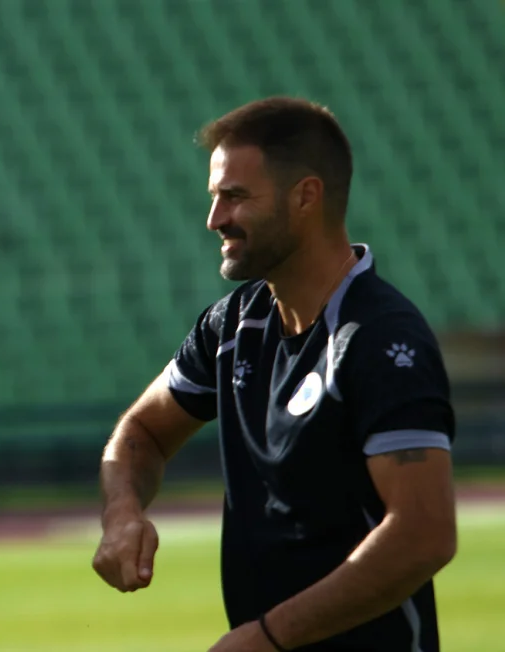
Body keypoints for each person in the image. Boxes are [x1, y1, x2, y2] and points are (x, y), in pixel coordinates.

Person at [91, 97, 458, 651]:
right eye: (216, 198)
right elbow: (141, 433)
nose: (215, 220)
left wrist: (266, 638)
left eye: (234, 197)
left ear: (305, 196)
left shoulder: (380, 339)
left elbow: (424, 534)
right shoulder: (234, 323)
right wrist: (122, 513)